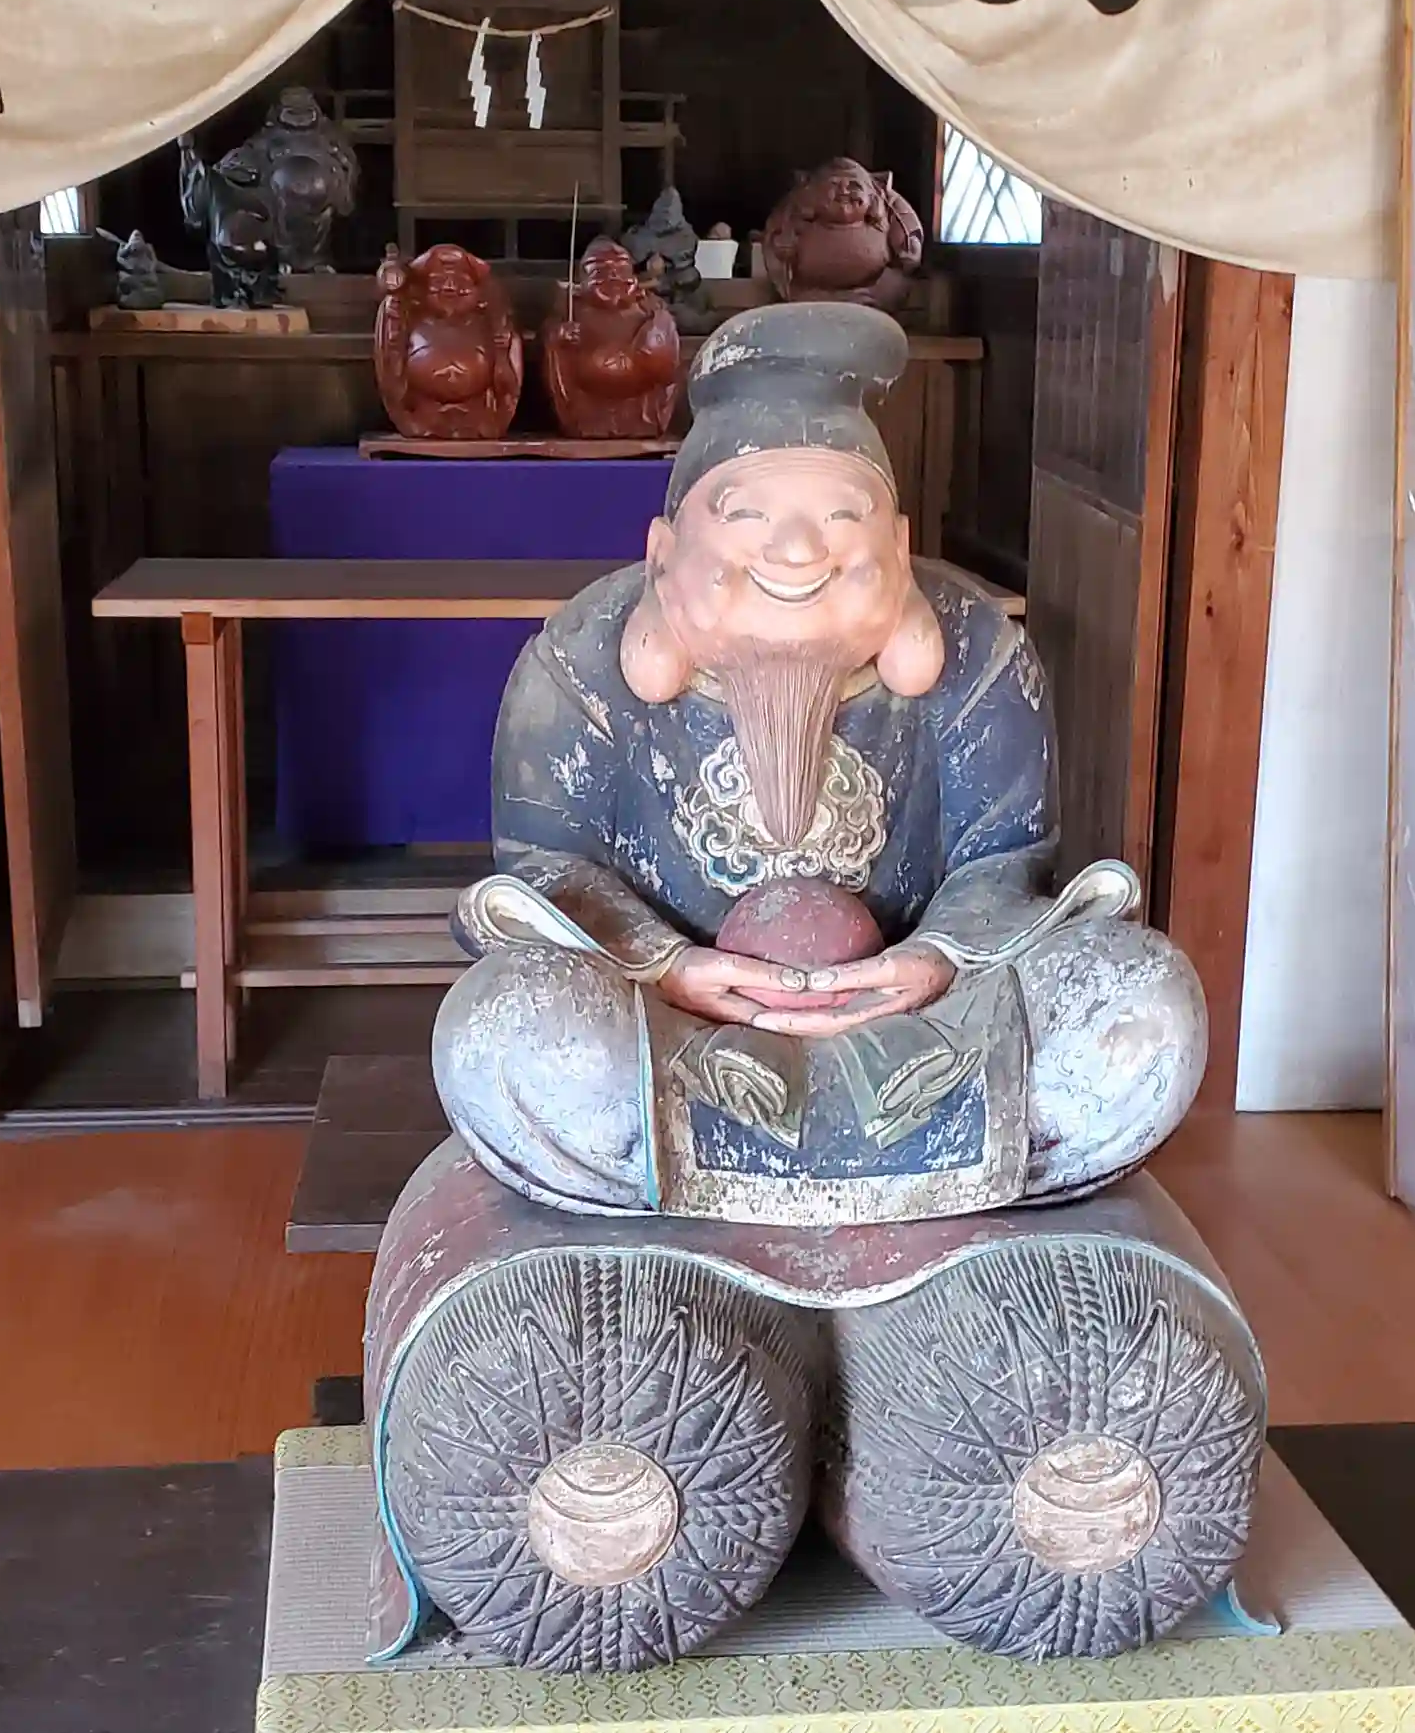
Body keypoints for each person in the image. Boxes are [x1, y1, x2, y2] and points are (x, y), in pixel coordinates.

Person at [435, 302, 1204, 1225]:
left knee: (1146, 1002)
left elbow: (1006, 861)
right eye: (749, 516)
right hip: (674, 1025)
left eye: (841, 518)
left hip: (918, 1024)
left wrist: (932, 959)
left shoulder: (979, 652)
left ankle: (785, 1181)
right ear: (663, 553)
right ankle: (869, 1182)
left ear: (898, 546)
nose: (798, 552)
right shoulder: (578, 658)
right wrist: (666, 966)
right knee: (503, 1027)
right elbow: (544, 868)